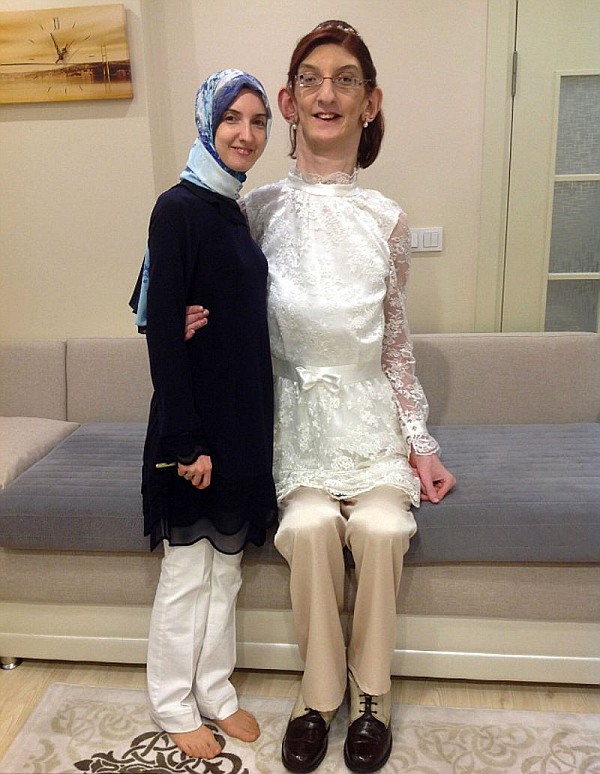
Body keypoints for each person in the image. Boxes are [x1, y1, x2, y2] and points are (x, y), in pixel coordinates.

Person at [185, 22, 456, 771]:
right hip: (293, 422)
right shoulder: (255, 212)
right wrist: (182, 320)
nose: (326, 93)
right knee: (306, 526)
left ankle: (374, 697)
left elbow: (394, 344)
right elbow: (212, 315)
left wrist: (421, 445)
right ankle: (318, 694)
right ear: (288, 100)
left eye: (344, 80)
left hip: (370, 421)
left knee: (381, 528)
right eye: (310, 78)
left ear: (370, 103)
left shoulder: (387, 220)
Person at [137, 68, 276, 761]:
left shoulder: (232, 209)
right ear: (207, 123)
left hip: (241, 418)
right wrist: (188, 442)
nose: (246, 134)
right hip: (195, 424)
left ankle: (215, 690)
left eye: (258, 121)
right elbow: (162, 331)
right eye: (232, 119)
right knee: (188, 573)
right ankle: (172, 701)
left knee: (226, 571)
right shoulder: (179, 207)